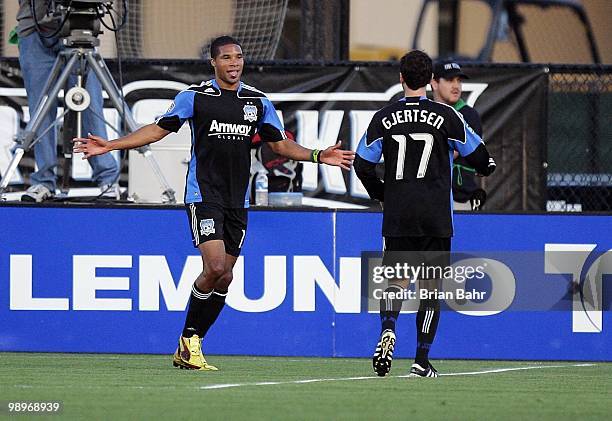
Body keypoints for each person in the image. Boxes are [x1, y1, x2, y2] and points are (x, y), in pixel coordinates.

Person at [74, 36, 354, 371]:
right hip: (203, 195)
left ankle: (190, 342)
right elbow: (157, 131)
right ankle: (189, 339)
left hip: (238, 200)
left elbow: (279, 146)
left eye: (238, 57)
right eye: (226, 58)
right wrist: (111, 146)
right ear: (213, 62)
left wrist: (319, 155)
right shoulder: (195, 98)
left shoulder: (258, 102)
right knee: (216, 267)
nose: (234, 63)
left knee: (225, 278)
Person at [354, 50, 495, 377]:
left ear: (401, 79)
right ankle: (421, 360)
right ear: (429, 80)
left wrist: (380, 193)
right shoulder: (446, 116)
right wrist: (486, 165)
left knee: (395, 284)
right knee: (431, 290)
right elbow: (478, 155)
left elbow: (362, 164)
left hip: (399, 213)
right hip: (435, 214)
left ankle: (389, 327)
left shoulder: (383, 117)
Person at [16, 0, 119, 202]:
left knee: (90, 104)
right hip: (35, 29)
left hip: (80, 26)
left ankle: (107, 178)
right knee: (41, 108)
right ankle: (43, 181)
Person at [431, 60, 487, 210]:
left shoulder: (468, 115)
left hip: (459, 200)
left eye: (459, 81)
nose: (456, 86)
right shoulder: (426, 112)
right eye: (450, 80)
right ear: (434, 83)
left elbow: (449, 153)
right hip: (427, 197)